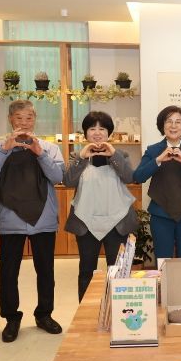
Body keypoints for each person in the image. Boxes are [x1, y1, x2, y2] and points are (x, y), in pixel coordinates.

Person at [0, 100, 64, 342]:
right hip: (11, 217)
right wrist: (4, 150)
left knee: (45, 270)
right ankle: (11, 318)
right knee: (8, 272)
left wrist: (40, 154)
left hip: (43, 217)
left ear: (34, 120)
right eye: (19, 118)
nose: (24, 123)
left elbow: (57, 177)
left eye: (29, 118)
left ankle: (44, 315)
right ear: (10, 120)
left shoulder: (49, 147)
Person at [65, 111, 138, 302]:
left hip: (118, 223)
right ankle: (86, 311)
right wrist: (82, 157)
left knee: (118, 270)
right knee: (86, 269)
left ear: (109, 133)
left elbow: (129, 177)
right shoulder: (77, 155)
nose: (97, 133)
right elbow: (68, 182)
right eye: (92, 128)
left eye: (102, 129)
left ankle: (119, 311)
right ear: (85, 133)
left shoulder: (121, 155)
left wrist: (113, 154)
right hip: (86, 223)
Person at [133, 106, 181, 260]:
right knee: (162, 260)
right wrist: (158, 160)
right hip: (160, 214)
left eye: (178, 122)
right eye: (169, 121)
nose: (173, 126)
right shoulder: (153, 150)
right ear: (162, 125)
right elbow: (138, 177)